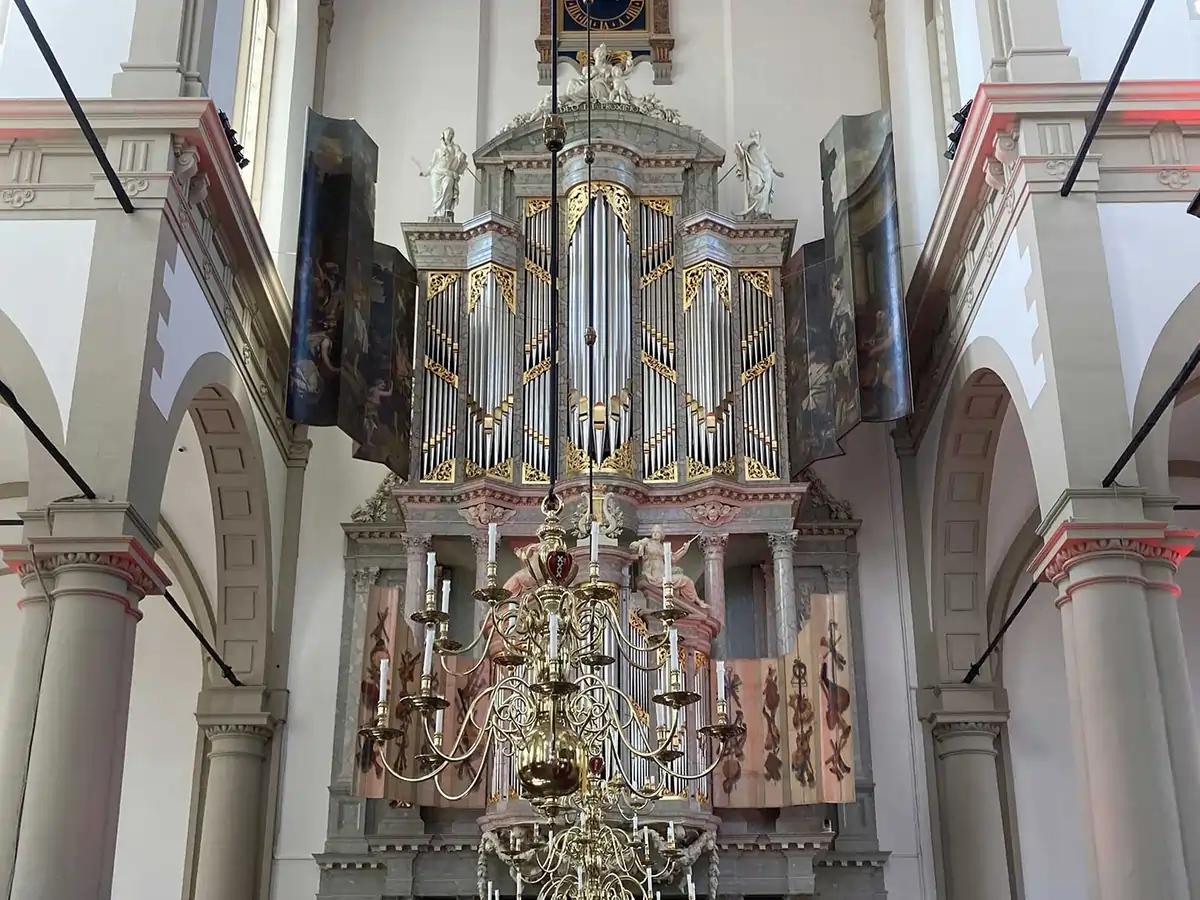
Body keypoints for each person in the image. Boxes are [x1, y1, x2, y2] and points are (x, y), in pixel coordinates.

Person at [733, 130, 784, 218]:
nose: (756, 137)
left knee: (765, 190)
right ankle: (753, 210)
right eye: (754, 135)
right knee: (757, 186)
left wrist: (776, 171)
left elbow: (769, 161)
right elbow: (741, 148)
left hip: (766, 171)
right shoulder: (748, 146)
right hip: (754, 169)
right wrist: (752, 140)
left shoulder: (762, 148)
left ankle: (762, 211)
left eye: (757, 136)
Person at [421, 127, 468, 219]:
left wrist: (461, 156)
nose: (449, 135)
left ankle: (447, 209)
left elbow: (460, 155)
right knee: (436, 195)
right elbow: (432, 164)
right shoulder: (438, 151)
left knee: (449, 183)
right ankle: (439, 213)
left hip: (449, 173)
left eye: (451, 133)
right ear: (443, 135)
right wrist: (426, 173)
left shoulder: (455, 147)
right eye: (447, 133)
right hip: (437, 173)